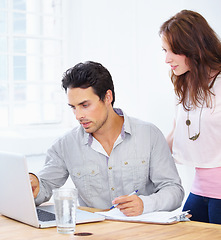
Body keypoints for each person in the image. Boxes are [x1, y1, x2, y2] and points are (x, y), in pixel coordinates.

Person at [30, 61, 184, 216]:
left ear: (107, 97)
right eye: (73, 107)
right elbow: (44, 186)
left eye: (85, 105)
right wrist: (34, 185)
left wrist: (145, 204)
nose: (78, 116)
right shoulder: (65, 145)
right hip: (94, 234)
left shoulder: (149, 134)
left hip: (141, 232)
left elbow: (174, 190)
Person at [160, 10, 221, 224]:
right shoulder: (185, 84)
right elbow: (176, 133)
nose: (167, 59)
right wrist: (146, 157)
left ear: (193, 48)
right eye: (164, 50)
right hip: (200, 190)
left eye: (172, 51)